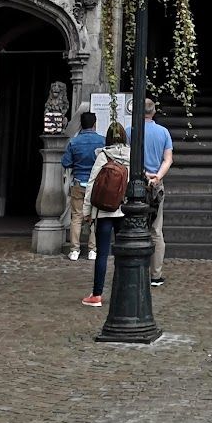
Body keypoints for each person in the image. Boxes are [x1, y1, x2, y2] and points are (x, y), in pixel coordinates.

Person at [82, 122, 130, 308]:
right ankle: (122, 291)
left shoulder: (103, 155)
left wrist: (87, 211)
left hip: (103, 211)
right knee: (123, 253)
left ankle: (97, 295)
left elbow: (92, 184)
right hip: (123, 210)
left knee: (102, 254)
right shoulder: (131, 155)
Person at [60, 110, 103, 261]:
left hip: (78, 182)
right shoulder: (102, 141)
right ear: (94, 124)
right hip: (96, 184)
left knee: (76, 217)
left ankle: (74, 249)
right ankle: (92, 249)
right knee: (93, 217)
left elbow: (66, 162)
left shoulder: (74, 142)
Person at [143, 98, 174, 288]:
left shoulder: (131, 131)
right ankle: (155, 274)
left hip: (138, 183)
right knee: (156, 230)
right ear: (154, 112)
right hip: (156, 186)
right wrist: (157, 177)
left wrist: (145, 175)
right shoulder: (163, 132)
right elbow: (168, 159)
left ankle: (137, 269)